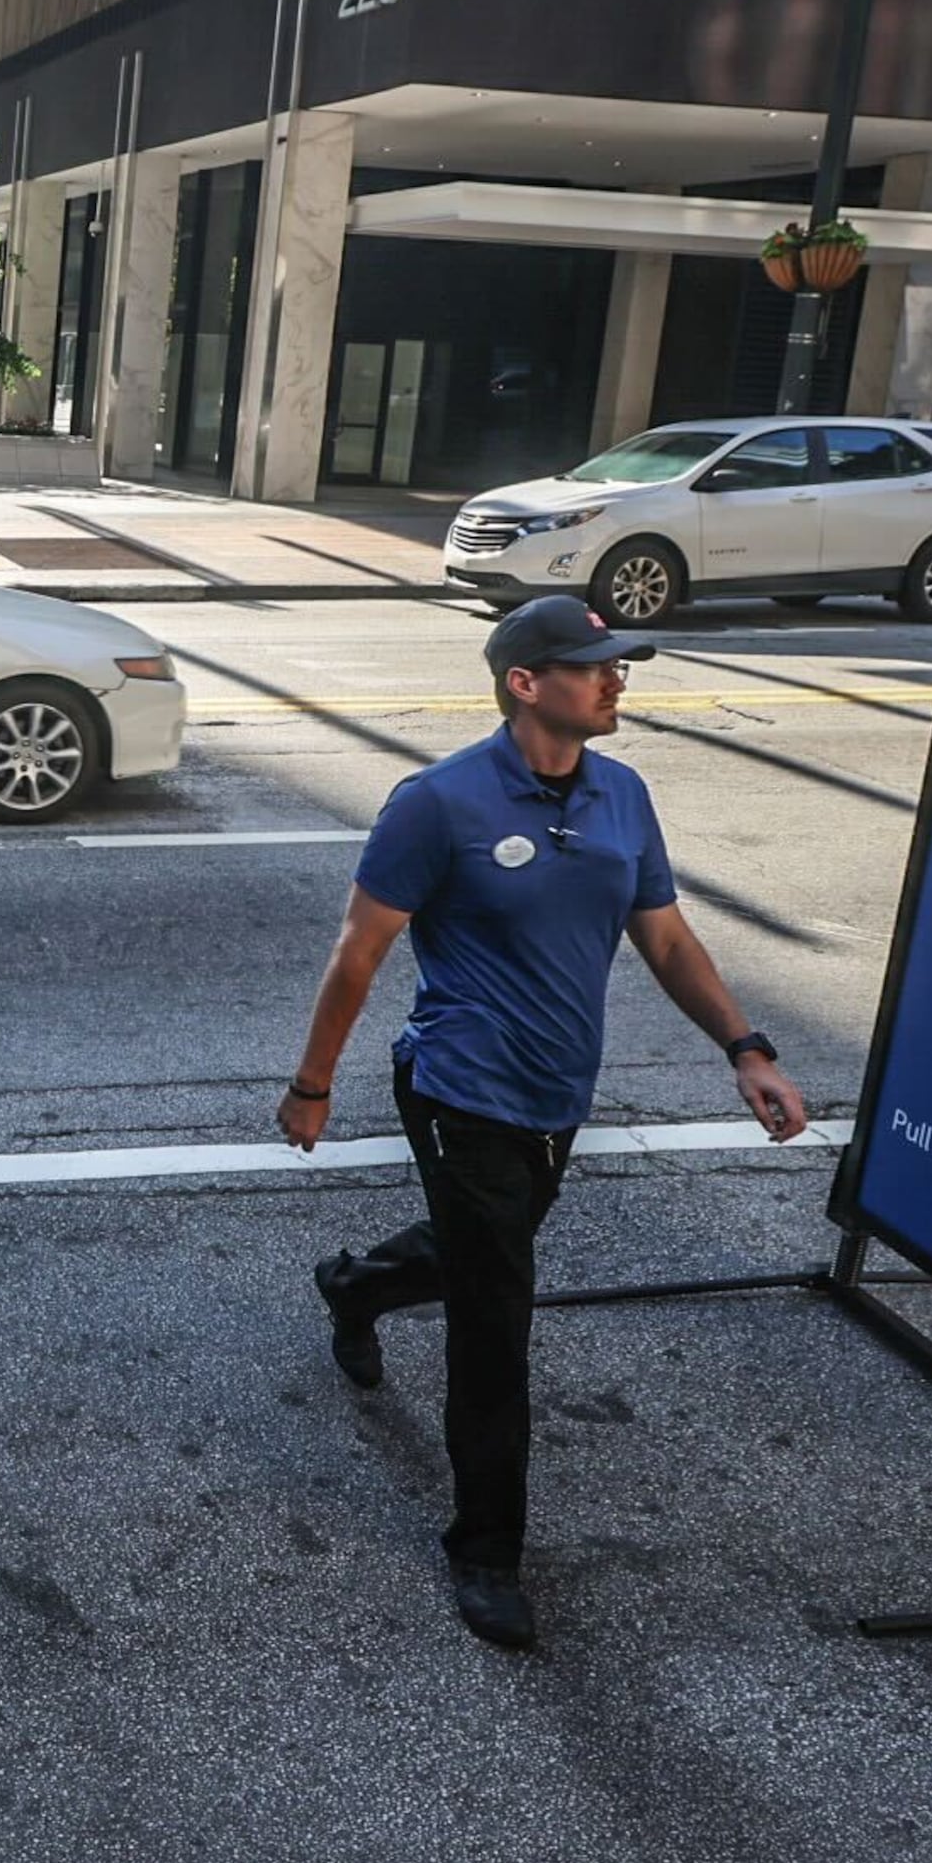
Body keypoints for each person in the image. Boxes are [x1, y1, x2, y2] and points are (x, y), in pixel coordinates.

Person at [276, 593, 808, 1651]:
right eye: (595, 665)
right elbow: (359, 951)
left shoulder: (623, 796)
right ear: (526, 683)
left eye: (620, 665)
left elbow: (663, 937)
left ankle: (359, 1283)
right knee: (495, 1319)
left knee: (489, 1253)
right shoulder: (438, 802)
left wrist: (746, 1046)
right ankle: (486, 1549)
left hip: (560, 1094)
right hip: (461, 1090)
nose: (618, 680)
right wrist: (313, 1083)